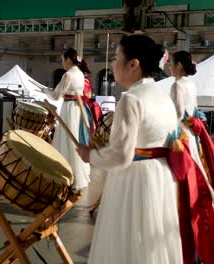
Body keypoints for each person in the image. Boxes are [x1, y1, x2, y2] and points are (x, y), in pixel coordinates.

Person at [76, 35, 183, 263]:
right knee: (152, 242)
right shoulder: (164, 98)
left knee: (127, 242)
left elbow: (122, 156)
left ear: (133, 64)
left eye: (116, 58)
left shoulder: (131, 99)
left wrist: (90, 155)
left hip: (134, 180)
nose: (113, 64)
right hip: (162, 177)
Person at [46, 48, 90, 190]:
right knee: (75, 141)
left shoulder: (68, 75)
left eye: (62, 59)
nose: (62, 63)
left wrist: (45, 90)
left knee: (66, 141)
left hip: (69, 109)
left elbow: (56, 95)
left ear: (68, 60)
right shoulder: (80, 75)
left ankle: (65, 175)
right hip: (78, 108)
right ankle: (77, 176)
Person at [169, 50, 213, 191]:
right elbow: (193, 111)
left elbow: (178, 113)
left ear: (179, 65)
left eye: (171, 63)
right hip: (192, 133)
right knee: (195, 164)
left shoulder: (176, 85)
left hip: (179, 133)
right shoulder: (191, 84)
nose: (169, 67)